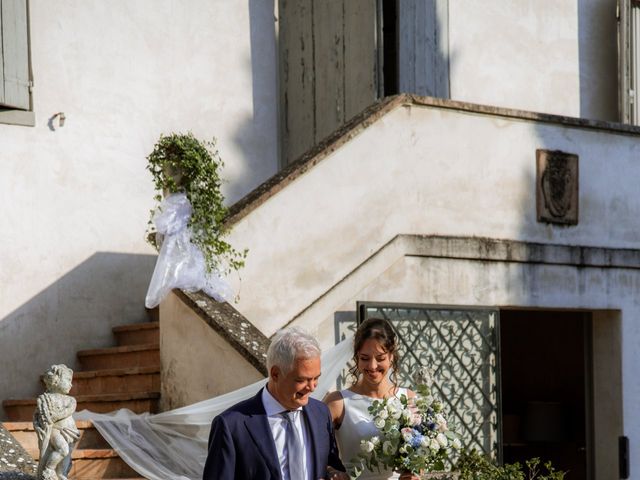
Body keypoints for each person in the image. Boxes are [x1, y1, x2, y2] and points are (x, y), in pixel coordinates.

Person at [203, 327, 349, 480]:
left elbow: (331, 466)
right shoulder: (231, 425)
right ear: (275, 374)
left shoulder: (321, 413)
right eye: (301, 380)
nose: (312, 387)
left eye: (316, 378)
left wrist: (333, 474)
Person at [324, 319, 420, 480]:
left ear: (391, 356)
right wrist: (333, 473)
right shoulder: (337, 403)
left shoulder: (409, 398)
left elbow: (419, 454)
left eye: (380, 358)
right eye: (365, 358)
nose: (373, 366)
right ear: (357, 359)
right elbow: (315, 454)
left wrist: (414, 472)